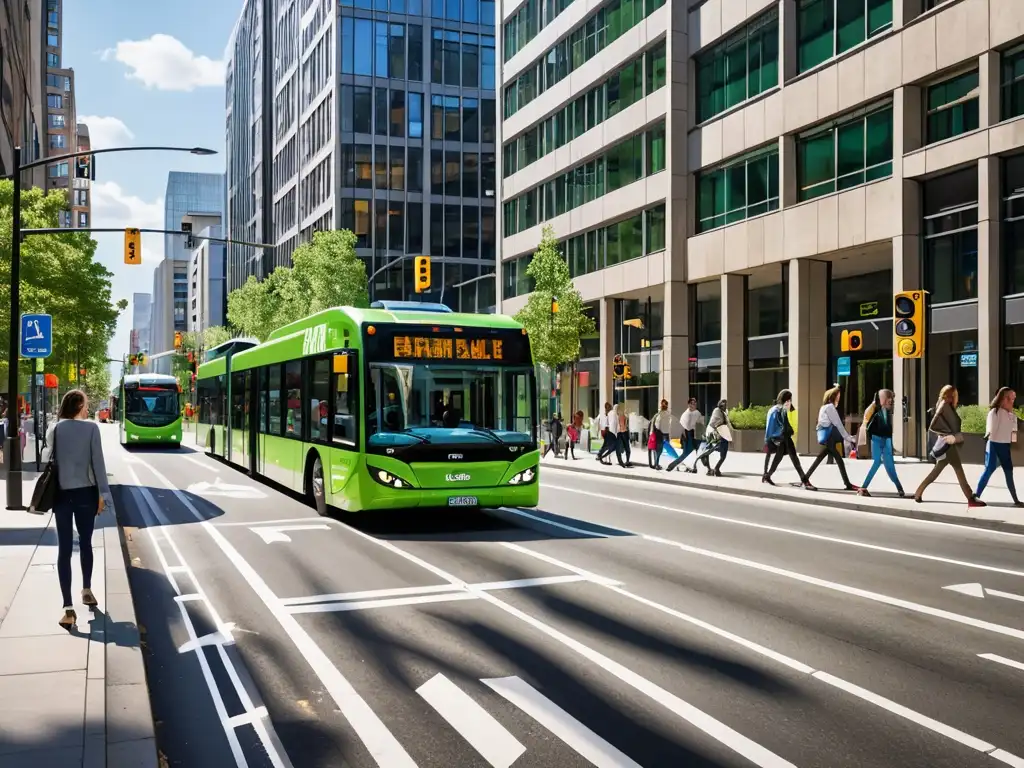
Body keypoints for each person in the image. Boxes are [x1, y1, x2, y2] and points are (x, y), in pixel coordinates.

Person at [42, 389, 113, 630]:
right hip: (86, 494)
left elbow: (46, 457)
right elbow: (98, 462)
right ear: (79, 405)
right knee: (85, 543)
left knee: (64, 548)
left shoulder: (55, 428)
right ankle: (86, 589)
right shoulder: (91, 428)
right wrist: (104, 494)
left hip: (61, 494)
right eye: (85, 404)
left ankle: (68, 609)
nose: (87, 408)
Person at [914, 385, 985, 507]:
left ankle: (918, 492)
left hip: (947, 445)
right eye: (956, 395)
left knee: (938, 472)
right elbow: (943, 426)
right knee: (957, 470)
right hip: (948, 446)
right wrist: (952, 436)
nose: (958, 397)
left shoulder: (943, 405)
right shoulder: (945, 407)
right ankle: (970, 498)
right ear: (952, 396)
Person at [974, 387, 1021, 506]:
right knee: (989, 469)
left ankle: (1016, 500)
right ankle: (976, 495)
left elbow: (1014, 433)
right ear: (1003, 399)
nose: (1012, 401)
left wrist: (1013, 442)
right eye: (1010, 398)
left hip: (1005, 446)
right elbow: (991, 432)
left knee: (1009, 472)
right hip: (994, 445)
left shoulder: (1012, 415)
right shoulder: (994, 412)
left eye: (1013, 398)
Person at [804, 387, 858, 491]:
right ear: (833, 396)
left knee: (822, 458)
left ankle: (805, 479)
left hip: (829, 438)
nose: (839, 397)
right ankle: (847, 484)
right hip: (830, 438)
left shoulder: (824, 407)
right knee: (837, 460)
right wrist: (849, 438)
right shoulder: (830, 408)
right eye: (838, 395)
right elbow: (838, 424)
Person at [858, 389, 905, 498]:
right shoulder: (876, 410)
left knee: (890, 465)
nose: (891, 402)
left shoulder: (888, 412)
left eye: (892, 400)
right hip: (877, 439)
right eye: (889, 399)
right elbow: (867, 418)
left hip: (886, 439)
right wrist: (875, 402)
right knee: (877, 462)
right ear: (883, 400)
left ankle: (900, 488)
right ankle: (863, 487)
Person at [763, 389, 812, 488]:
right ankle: (805, 480)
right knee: (794, 459)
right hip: (785, 437)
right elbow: (786, 426)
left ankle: (767, 475)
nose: (790, 402)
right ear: (786, 400)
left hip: (778, 438)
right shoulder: (783, 409)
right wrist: (791, 431)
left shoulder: (773, 409)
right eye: (789, 400)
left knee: (778, 458)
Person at [691, 399, 731, 476]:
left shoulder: (723, 412)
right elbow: (719, 423)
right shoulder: (717, 411)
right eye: (724, 405)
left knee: (721, 454)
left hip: (718, 434)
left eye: (725, 405)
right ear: (720, 405)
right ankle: (711, 469)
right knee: (707, 452)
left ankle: (715, 468)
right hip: (714, 434)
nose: (725, 406)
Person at [667, 398, 702, 473]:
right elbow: (682, 427)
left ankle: (697, 468)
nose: (694, 405)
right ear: (689, 404)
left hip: (695, 434)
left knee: (699, 451)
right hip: (687, 434)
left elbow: (700, 424)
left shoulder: (697, 413)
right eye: (692, 403)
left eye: (695, 403)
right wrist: (685, 438)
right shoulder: (686, 414)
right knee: (685, 453)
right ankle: (671, 466)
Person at [651, 399, 672, 470]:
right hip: (659, 434)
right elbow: (657, 424)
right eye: (663, 404)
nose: (664, 406)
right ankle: (656, 464)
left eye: (665, 404)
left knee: (659, 450)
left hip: (663, 433)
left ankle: (656, 463)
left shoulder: (666, 414)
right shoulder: (659, 414)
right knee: (658, 450)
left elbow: (667, 424)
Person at [614, 403, 632, 467]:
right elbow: (623, 426)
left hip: (619, 433)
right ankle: (627, 461)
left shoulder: (616, 416)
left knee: (619, 447)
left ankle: (622, 461)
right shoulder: (621, 415)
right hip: (623, 432)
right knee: (627, 447)